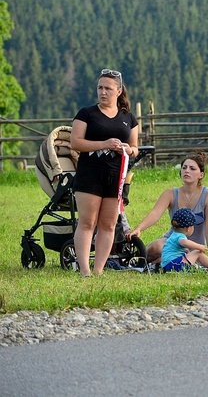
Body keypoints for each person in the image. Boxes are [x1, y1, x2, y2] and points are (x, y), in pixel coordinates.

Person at [70, 68, 139, 277]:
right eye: (100, 87)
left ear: (118, 91)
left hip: (115, 176)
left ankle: (99, 270)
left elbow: (135, 147)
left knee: (108, 224)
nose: (103, 92)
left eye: (108, 88)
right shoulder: (86, 113)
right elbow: (75, 143)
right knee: (87, 222)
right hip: (89, 174)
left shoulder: (129, 118)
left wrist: (127, 149)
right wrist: (104, 144)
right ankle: (84, 270)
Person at [125, 151, 208, 264]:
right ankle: (146, 262)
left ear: (201, 175)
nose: (187, 171)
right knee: (155, 247)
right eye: (184, 168)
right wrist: (138, 229)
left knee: (185, 258)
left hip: (193, 246)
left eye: (192, 168)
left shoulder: (207, 195)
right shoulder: (171, 193)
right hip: (173, 242)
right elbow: (155, 214)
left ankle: (160, 262)